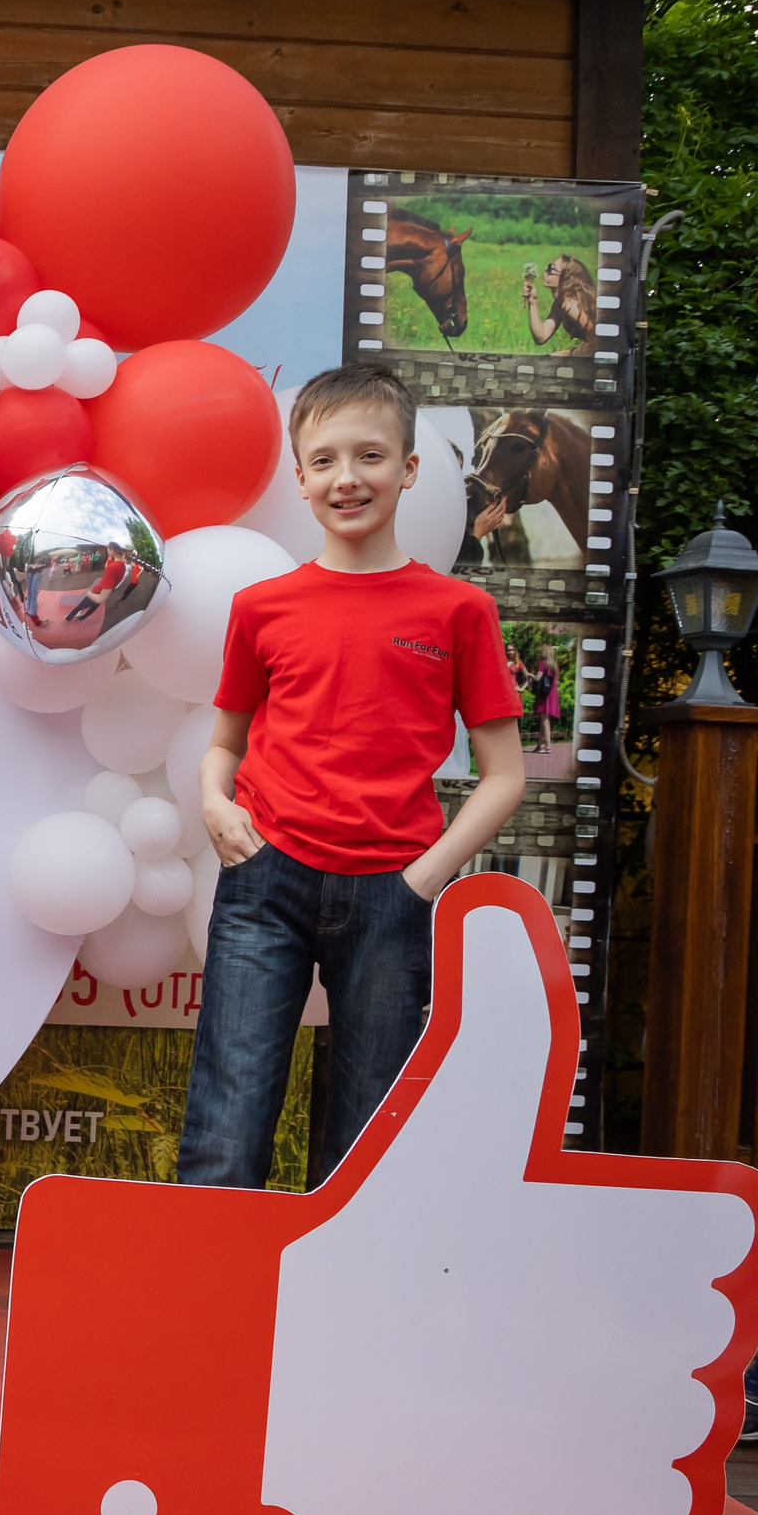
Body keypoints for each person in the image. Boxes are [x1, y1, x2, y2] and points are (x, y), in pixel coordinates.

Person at [180, 364, 526, 1191]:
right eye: (325, 459)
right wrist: (214, 805)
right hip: (266, 884)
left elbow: (504, 774)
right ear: (299, 478)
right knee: (226, 1133)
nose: (348, 478)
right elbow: (224, 742)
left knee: (367, 1151)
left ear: (409, 467)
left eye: (370, 455)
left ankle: (339, 1319)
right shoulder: (264, 607)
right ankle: (209, 1313)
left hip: (392, 895)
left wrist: (421, 879)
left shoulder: (458, 612)